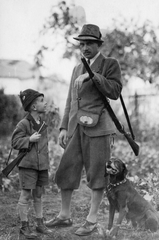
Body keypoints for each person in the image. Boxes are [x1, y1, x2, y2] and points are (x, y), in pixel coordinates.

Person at [46, 24, 122, 236]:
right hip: (76, 127)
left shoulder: (109, 64)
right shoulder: (76, 68)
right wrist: (63, 127)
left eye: (89, 43)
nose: (85, 47)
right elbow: (70, 100)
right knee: (66, 170)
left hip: (99, 127)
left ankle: (91, 219)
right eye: (82, 43)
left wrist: (93, 76)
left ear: (98, 44)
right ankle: (64, 215)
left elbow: (115, 91)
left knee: (98, 173)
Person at [11, 89, 52, 238]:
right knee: (25, 195)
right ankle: (24, 227)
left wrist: (46, 163)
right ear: (34, 107)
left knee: (39, 195)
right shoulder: (24, 123)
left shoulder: (43, 124)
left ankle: (40, 224)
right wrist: (28, 139)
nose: (45, 102)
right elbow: (14, 142)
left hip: (41, 166)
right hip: (28, 165)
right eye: (42, 101)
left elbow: (44, 147)